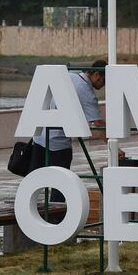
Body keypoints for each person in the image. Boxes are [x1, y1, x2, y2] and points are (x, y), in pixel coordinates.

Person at [30, 59, 106, 193]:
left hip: (39, 137)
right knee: (60, 186)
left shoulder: (70, 76)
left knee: (34, 183)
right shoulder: (86, 91)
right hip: (58, 144)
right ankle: (57, 211)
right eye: (104, 81)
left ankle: (29, 207)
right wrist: (114, 148)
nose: (104, 85)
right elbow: (98, 124)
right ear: (96, 75)